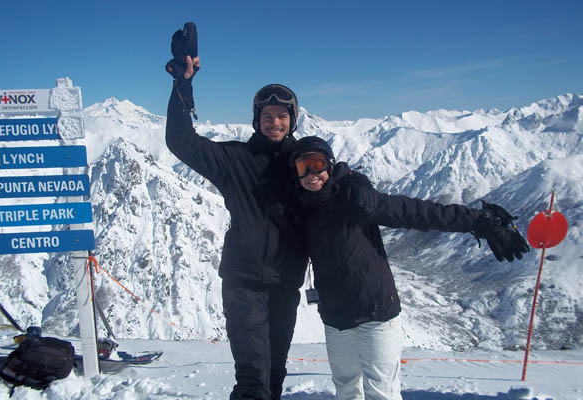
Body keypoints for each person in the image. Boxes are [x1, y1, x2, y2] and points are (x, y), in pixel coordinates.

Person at [289, 136, 530, 400]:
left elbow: (414, 211)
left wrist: (478, 221)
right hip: (335, 317)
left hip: (376, 312)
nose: (312, 174)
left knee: (382, 392)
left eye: (317, 163)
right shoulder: (301, 209)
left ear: (330, 165)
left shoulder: (355, 198)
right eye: (303, 167)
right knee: (346, 388)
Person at [164, 24, 308, 400]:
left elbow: (342, 199)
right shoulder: (234, 159)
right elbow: (181, 141)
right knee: (253, 380)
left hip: (284, 285)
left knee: (275, 375)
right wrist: (183, 82)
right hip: (243, 285)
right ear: (256, 119)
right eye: (267, 115)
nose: (274, 121)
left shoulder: (304, 163)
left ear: (292, 120)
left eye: (282, 115)